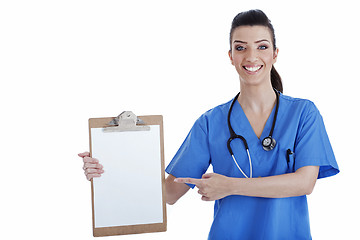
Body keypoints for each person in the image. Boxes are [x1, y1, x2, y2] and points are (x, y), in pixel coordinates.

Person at [79, 9, 339, 240]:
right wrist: (110, 169)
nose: (251, 56)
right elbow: (169, 194)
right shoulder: (210, 123)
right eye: (240, 47)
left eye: (261, 47)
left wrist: (231, 186)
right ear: (230, 56)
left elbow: (304, 183)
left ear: (275, 53)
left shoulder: (304, 113)